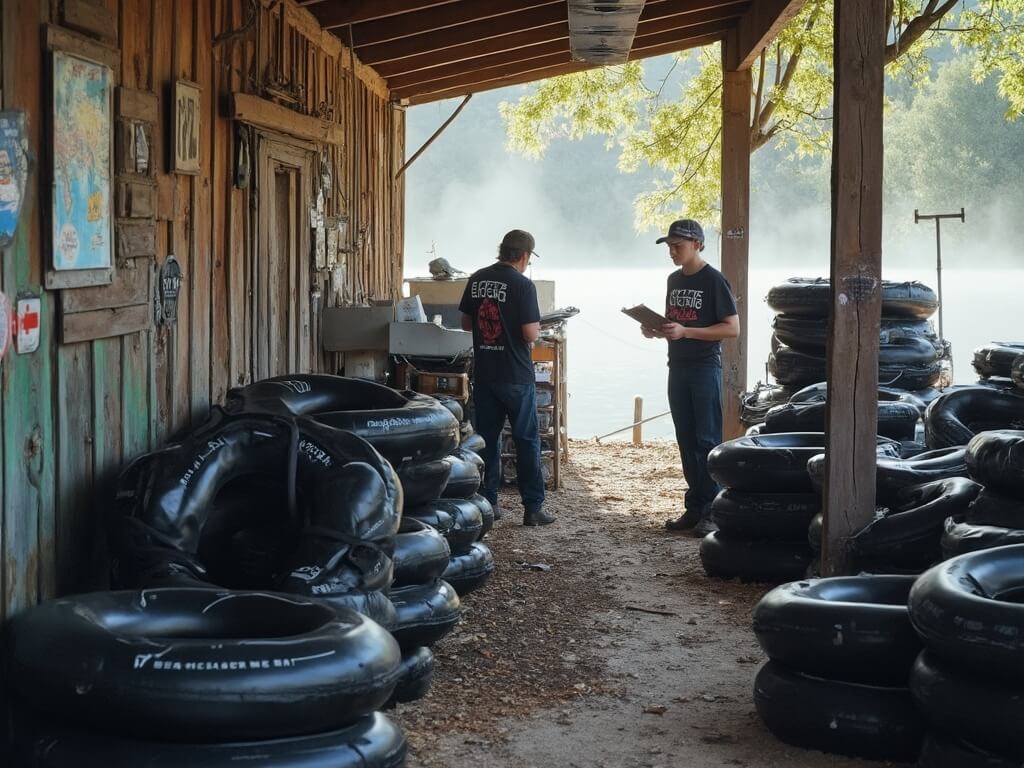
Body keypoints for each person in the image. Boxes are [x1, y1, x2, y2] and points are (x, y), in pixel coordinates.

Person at [642, 219, 740, 537]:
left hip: (704, 368)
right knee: (685, 439)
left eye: (678, 246)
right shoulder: (673, 280)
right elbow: (677, 325)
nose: (672, 251)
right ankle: (694, 506)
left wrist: (687, 332)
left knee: (706, 440)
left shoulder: (714, 280)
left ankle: (714, 510)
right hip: (678, 367)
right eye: (669, 246)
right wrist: (658, 330)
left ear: (697, 244)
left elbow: (731, 328)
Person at [459, 229, 555, 526]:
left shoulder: (477, 279)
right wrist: (536, 329)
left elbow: (465, 324)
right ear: (525, 256)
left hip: (486, 372)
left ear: (502, 251)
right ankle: (533, 508)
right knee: (527, 440)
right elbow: (529, 333)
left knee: (487, 438)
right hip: (515, 374)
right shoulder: (523, 285)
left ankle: (488, 502)